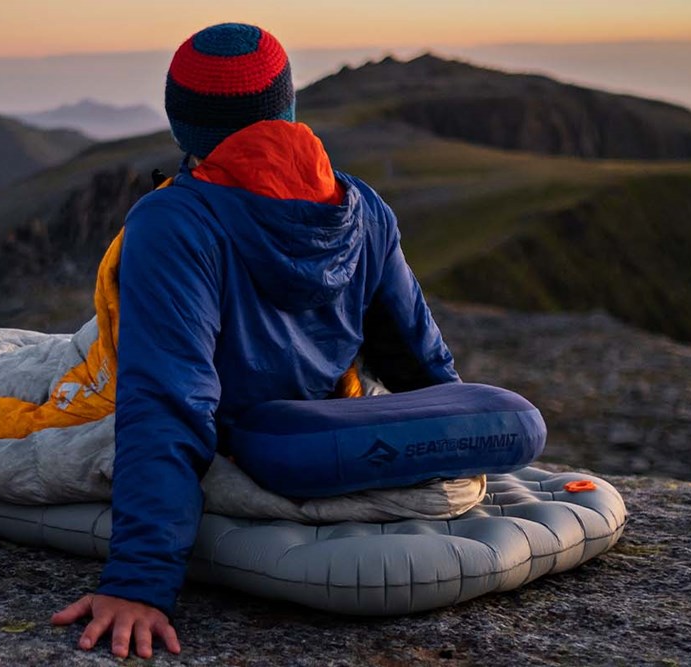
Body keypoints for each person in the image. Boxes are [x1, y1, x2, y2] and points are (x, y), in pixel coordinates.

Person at [49, 22, 459, 659]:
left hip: (107, 397)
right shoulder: (361, 208)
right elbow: (420, 365)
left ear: (183, 125)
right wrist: (461, 446)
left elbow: (167, 401)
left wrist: (140, 583)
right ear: (287, 107)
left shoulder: (174, 220)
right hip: (297, 421)